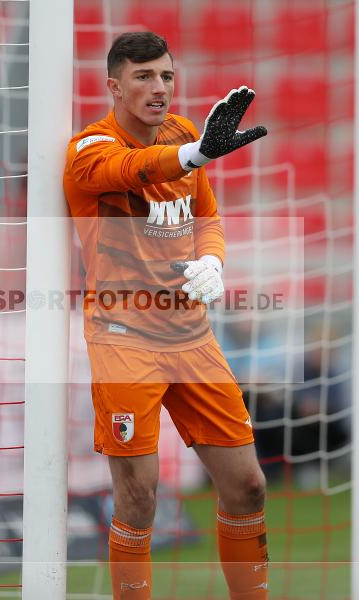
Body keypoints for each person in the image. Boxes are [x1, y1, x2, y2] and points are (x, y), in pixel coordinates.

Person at [63, 32, 270, 599]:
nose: (159, 89)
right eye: (144, 77)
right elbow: (137, 169)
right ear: (114, 86)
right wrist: (196, 153)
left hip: (192, 337)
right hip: (124, 339)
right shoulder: (89, 151)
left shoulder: (183, 135)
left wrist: (211, 258)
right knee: (139, 495)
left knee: (248, 487)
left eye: (167, 77)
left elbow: (207, 215)